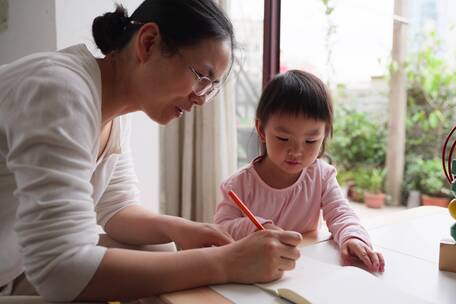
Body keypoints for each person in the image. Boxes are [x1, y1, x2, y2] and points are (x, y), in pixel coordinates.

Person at [0, 0, 302, 302]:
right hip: (15, 274)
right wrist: (228, 263)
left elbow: (116, 209)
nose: (200, 99)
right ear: (148, 43)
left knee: (159, 247)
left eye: (211, 88)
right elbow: (62, 270)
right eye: (201, 77)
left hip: (15, 267)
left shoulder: (110, 112)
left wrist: (184, 228)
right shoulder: (60, 91)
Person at [214, 70, 385, 273]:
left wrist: (353, 237)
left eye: (310, 141)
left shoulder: (322, 177)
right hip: (255, 274)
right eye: (283, 139)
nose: (296, 151)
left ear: (324, 135)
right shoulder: (238, 185)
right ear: (261, 130)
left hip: (306, 271)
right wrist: (257, 228)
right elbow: (221, 229)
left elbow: (341, 213)